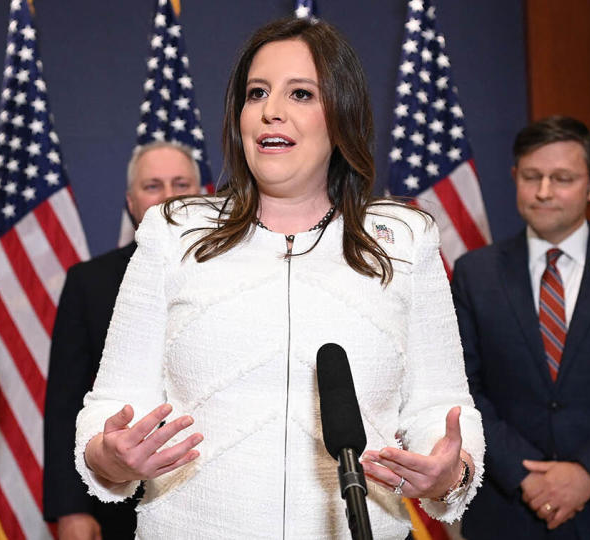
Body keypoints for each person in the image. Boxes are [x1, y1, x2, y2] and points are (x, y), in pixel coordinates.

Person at [72, 18, 484, 539]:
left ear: (341, 115)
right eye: (257, 93)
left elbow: (440, 407)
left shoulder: (403, 239)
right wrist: (111, 457)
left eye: (301, 93)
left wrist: (451, 474)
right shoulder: (174, 232)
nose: (271, 110)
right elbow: (110, 405)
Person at [454, 116, 590, 539]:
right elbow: (463, 386)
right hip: (507, 511)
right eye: (532, 177)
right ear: (515, 177)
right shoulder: (475, 273)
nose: (544, 191)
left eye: (563, 178)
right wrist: (524, 475)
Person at [43, 141, 202, 539]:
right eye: (153, 186)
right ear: (131, 202)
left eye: (181, 184)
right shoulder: (88, 283)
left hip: (209, 494)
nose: (168, 197)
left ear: (204, 197)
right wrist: (70, 508)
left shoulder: (236, 278)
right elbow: (66, 403)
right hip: (114, 502)